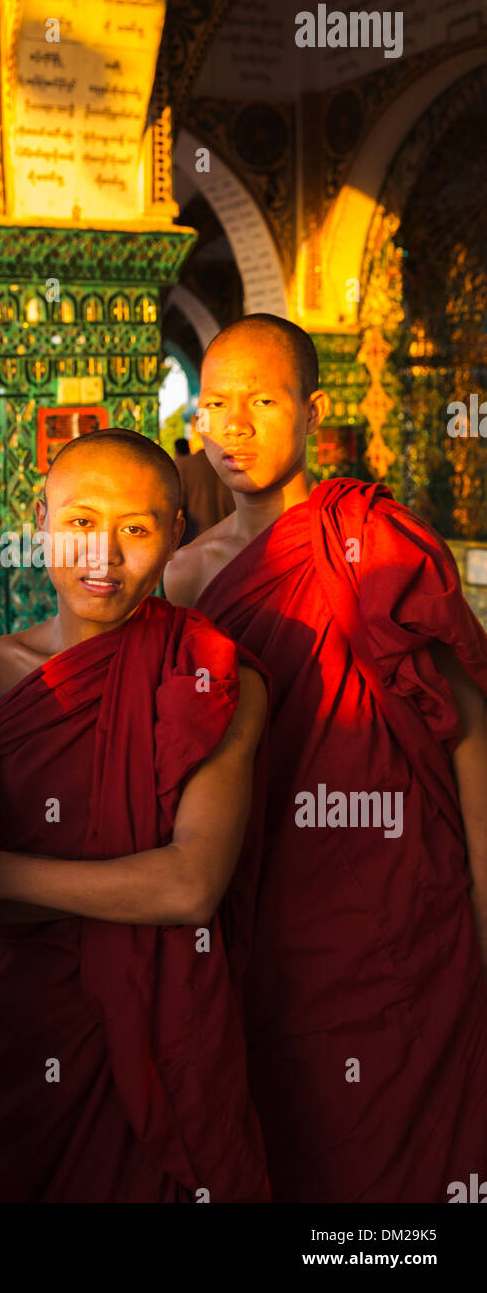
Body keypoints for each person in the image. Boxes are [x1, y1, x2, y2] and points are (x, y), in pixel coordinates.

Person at [164, 313, 487, 1203]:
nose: (235, 426)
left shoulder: (370, 539)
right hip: (261, 908)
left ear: (312, 410)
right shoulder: (186, 576)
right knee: (294, 1132)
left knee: (405, 1143)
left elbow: (472, 732)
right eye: (215, 404)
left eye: (262, 402)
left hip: (400, 903)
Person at [0, 427, 270, 1202]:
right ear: (41, 519)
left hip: (169, 1020)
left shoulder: (216, 675)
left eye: (136, 529)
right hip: (25, 1021)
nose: (103, 557)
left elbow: (189, 888)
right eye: (81, 522)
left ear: (176, 534)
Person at [173, 435, 235, 544]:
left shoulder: (183, 466)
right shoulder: (235, 464)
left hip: (194, 544)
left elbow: (175, 511)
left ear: (192, 438)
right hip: (232, 543)